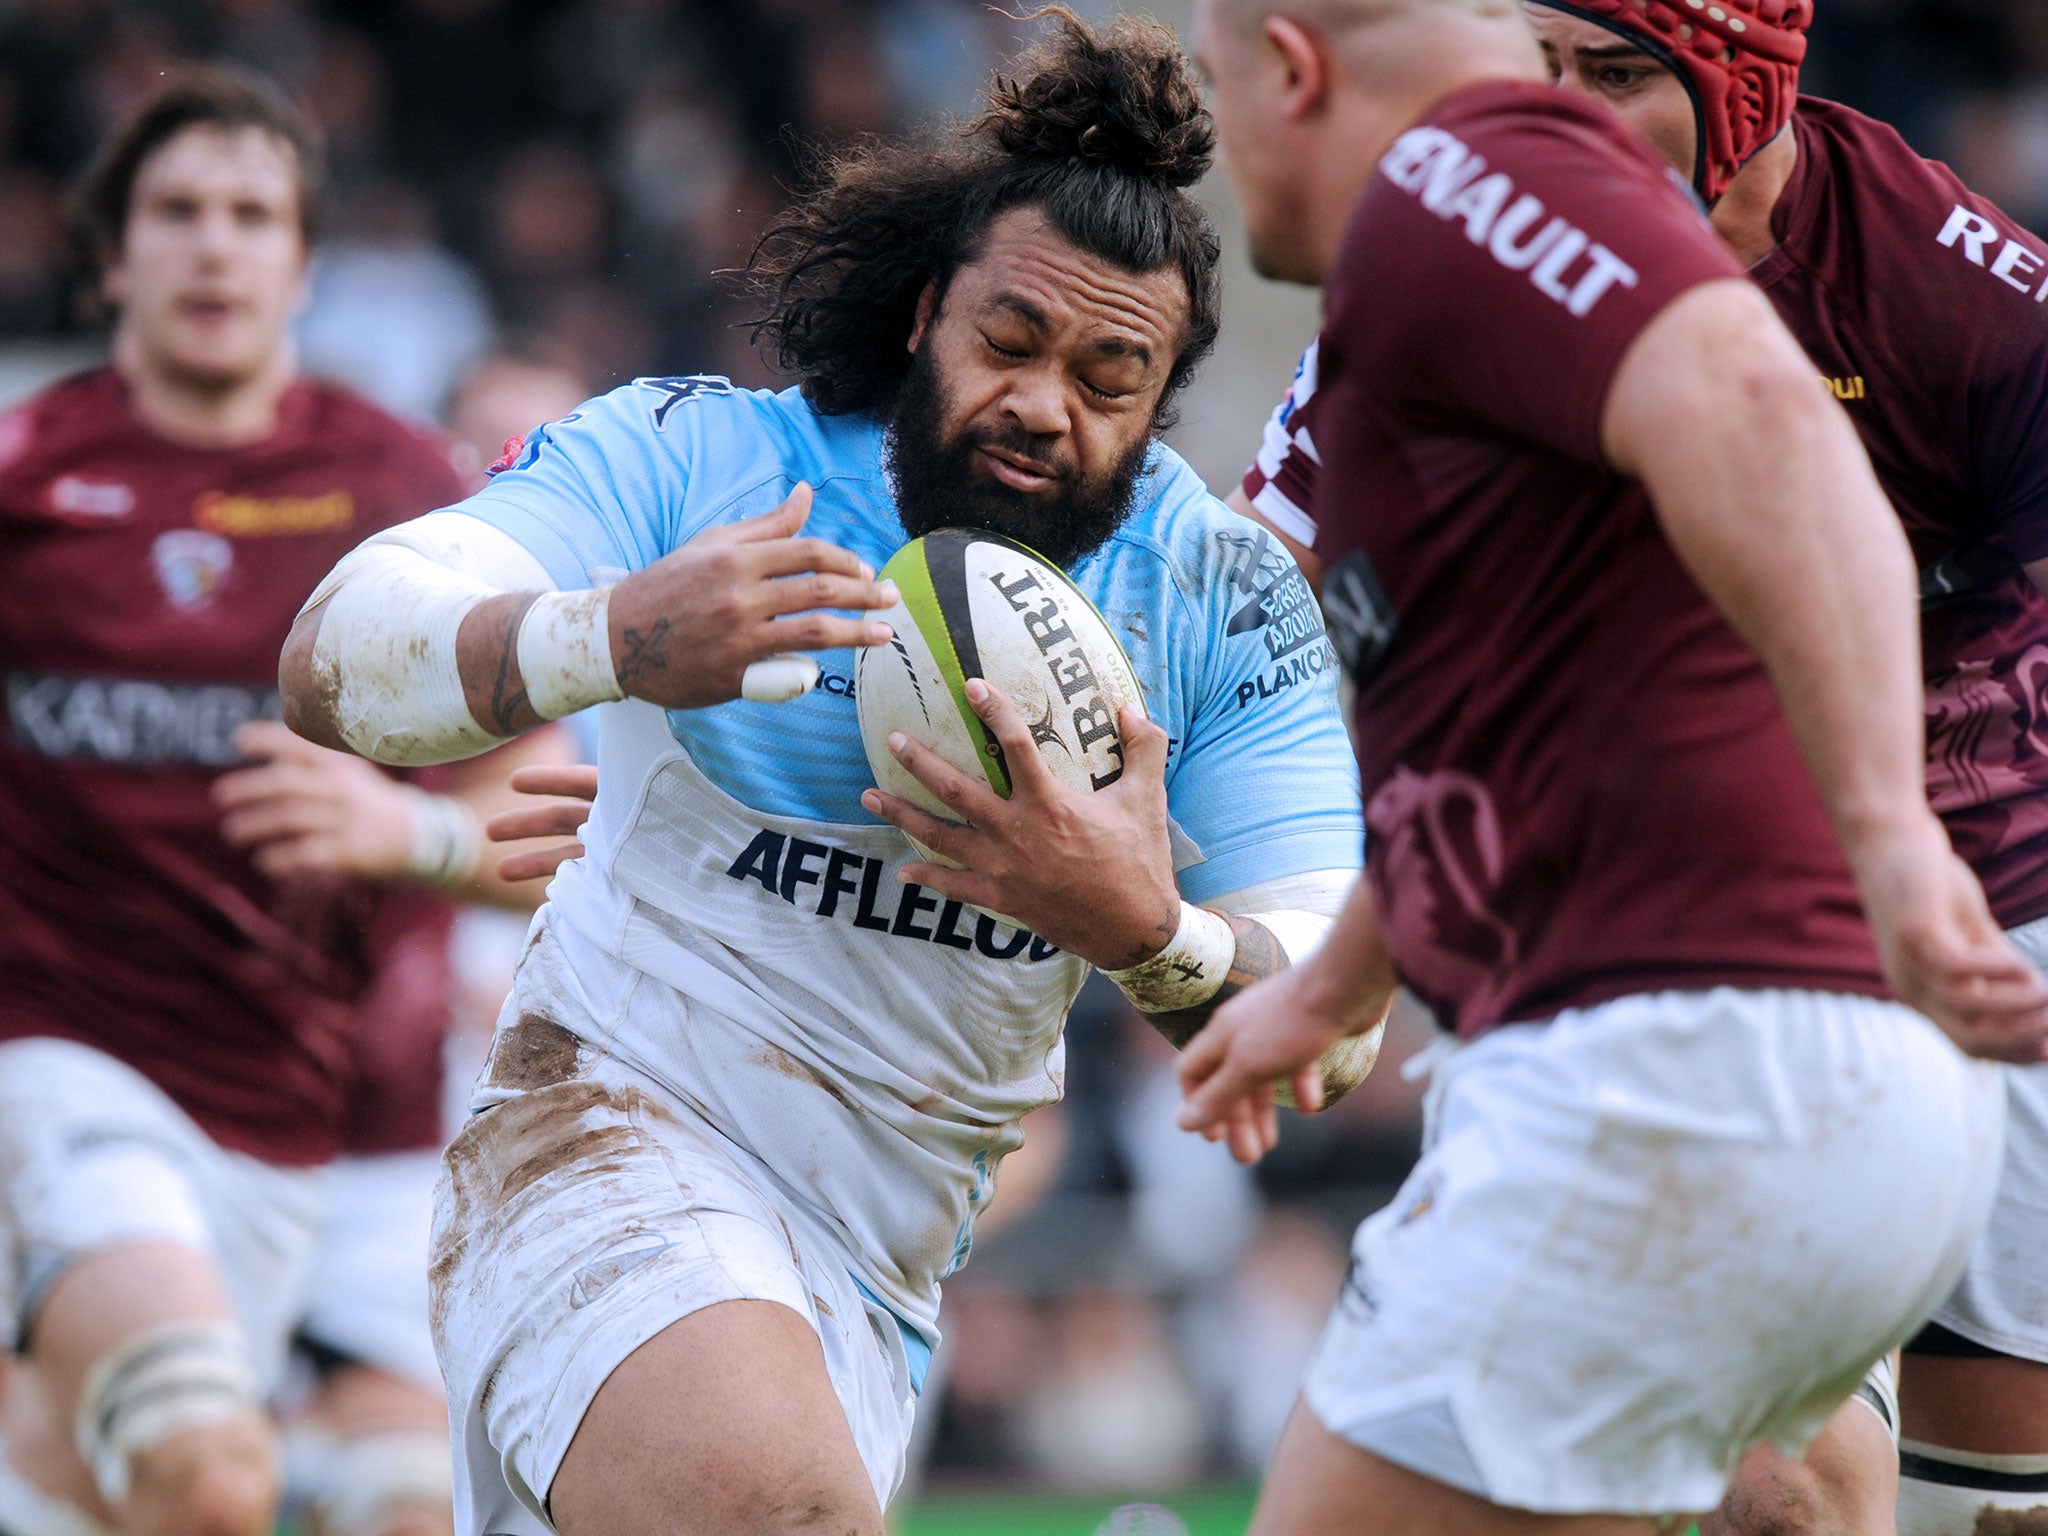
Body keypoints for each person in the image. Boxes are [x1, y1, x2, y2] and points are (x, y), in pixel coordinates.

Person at [278, 15, 1375, 1536]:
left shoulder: (1213, 593)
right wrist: (608, 637)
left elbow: (1331, 1015)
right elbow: (333, 653)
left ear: (1165, 392)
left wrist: (1145, 929)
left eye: (1111, 375)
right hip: (602, 1134)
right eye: (1008, 342)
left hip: (880, 1268)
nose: (1046, 406)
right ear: (927, 311)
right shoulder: (705, 461)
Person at [1176, 1, 2048, 1535]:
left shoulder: (1464, 191)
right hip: (1806, 1059)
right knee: (1783, 1507)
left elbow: (1771, 419)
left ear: (1291, 70)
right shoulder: (1444, 304)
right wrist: (1332, 980)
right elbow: (1496, 711)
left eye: (1213, 85)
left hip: (1699, 1054)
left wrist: (1893, 834)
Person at [0, 66, 556, 1536]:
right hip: (80, 1062)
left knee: (399, 1513)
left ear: (305, 266)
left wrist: (414, 832)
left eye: (252, 216)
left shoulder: (402, 496)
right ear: (112, 255)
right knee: (202, 1475)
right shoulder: (24, 477)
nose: (213, 246)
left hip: (351, 1114)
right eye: (176, 213)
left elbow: (574, 804)